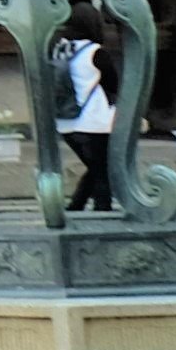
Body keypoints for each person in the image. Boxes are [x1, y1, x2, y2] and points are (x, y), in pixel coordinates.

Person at [51, 27, 122, 213]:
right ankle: (102, 207)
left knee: (96, 166)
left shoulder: (60, 49)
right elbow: (113, 83)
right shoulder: (95, 52)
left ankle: (77, 205)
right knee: (102, 168)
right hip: (94, 120)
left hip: (66, 122)